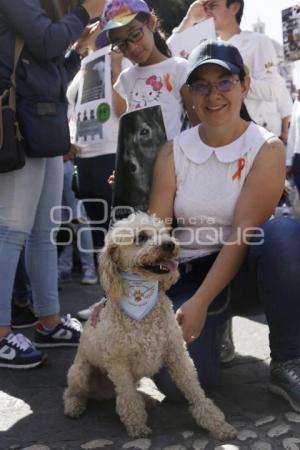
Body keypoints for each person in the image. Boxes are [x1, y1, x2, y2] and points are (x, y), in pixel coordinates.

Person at [146, 40, 300, 413]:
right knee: (182, 387)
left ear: (244, 84)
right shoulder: (172, 151)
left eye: (224, 82)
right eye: (202, 85)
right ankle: (216, 330)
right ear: (190, 93)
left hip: (245, 270)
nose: (213, 95)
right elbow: (155, 237)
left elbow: (241, 235)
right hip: (188, 272)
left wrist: (200, 303)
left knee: (281, 233)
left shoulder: (266, 148)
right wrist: (123, 301)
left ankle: (288, 360)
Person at [0, 0, 105, 369]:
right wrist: (84, 12)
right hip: (18, 126)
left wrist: (77, 50)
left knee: (45, 232)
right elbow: (45, 43)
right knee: (11, 232)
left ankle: (48, 320)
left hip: (42, 127)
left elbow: (52, 71)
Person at [168, 0, 292, 139]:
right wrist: (188, 20)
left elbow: (273, 91)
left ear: (234, 7)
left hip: (254, 135)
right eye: (205, 7)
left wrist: (238, 80)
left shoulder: (257, 41)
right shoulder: (208, 46)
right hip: (220, 137)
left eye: (213, 6)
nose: (207, 12)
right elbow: (167, 58)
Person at [96, 0, 199, 141]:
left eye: (136, 34)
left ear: (151, 22)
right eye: (121, 44)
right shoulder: (125, 78)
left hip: (176, 159)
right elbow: (125, 121)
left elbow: (198, 125)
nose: (132, 47)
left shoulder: (179, 68)